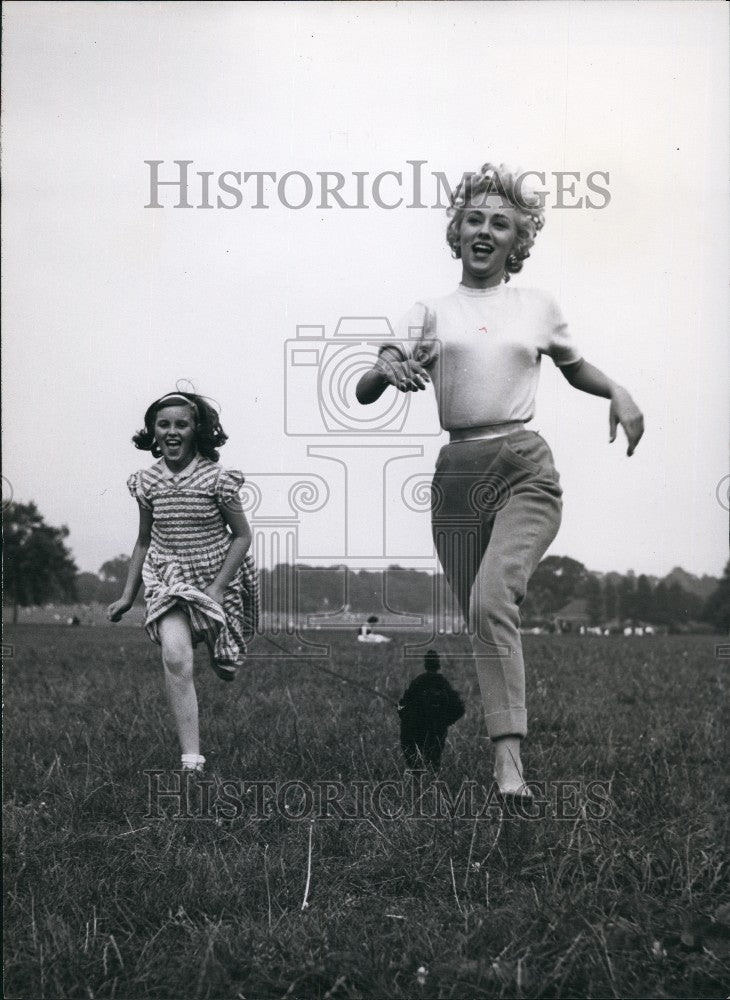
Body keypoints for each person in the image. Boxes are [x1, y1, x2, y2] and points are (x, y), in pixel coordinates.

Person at [357, 163, 643, 799]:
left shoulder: (537, 306)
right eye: (474, 220)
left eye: (501, 224)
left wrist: (618, 391)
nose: (485, 231)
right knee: (483, 618)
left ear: (518, 241)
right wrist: (388, 368)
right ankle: (488, 734)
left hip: (522, 468)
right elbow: (368, 383)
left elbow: (574, 367)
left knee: (491, 603)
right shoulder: (429, 311)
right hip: (456, 477)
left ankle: (508, 767)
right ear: (456, 232)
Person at [108, 391, 259, 773]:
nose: (172, 431)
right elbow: (144, 540)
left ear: (196, 430)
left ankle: (219, 648)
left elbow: (242, 536)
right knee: (175, 657)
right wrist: (127, 595)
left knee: (227, 667)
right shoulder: (146, 482)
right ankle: (191, 760)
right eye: (164, 424)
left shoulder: (218, 480)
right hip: (169, 579)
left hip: (216, 576)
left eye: (181, 424)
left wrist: (219, 587)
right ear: (153, 431)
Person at [398, 649, 465, 769]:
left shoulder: (418, 682)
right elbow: (458, 708)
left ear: (425, 664)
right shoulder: (443, 683)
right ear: (438, 665)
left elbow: (403, 705)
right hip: (436, 730)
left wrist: (403, 712)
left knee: (415, 762)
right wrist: (444, 722)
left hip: (416, 728)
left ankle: (418, 774)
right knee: (433, 762)